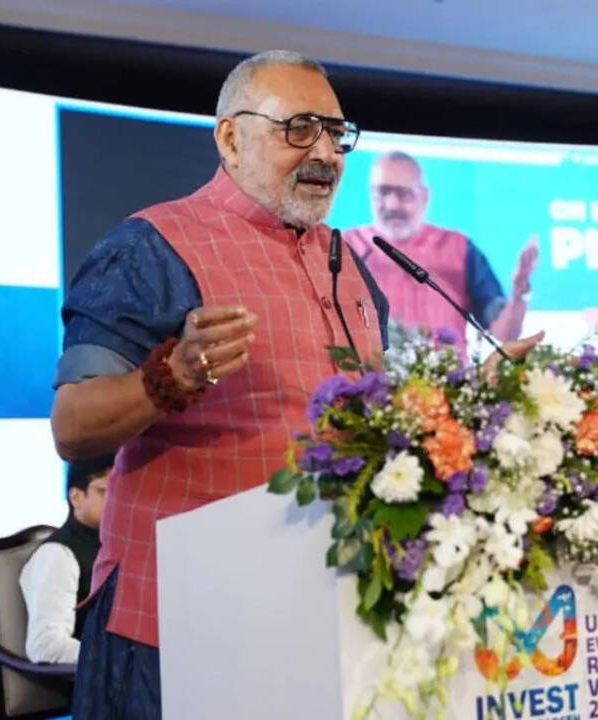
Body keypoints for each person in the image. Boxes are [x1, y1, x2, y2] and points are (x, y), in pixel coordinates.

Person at [50, 50, 543, 719]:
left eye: (337, 134)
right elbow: (72, 426)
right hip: (176, 631)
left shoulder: (352, 264)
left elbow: (370, 431)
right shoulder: (149, 247)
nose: (326, 154)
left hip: (317, 618)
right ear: (231, 138)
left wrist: (469, 397)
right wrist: (172, 376)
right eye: (299, 129)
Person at [343, 151, 537, 357]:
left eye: (404, 194)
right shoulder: (344, 247)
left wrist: (520, 292)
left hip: (445, 376)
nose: (392, 205)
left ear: (424, 196)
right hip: (367, 376)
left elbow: (504, 334)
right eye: (382, 192)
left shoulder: (460, 249)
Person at [19, 455, 110, 664]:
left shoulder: (117, 544)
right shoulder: (57, 554)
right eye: (104, 492)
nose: (116, 500)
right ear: (76, 497)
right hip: (88, 680)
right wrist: (111, 659)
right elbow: (46, 645)